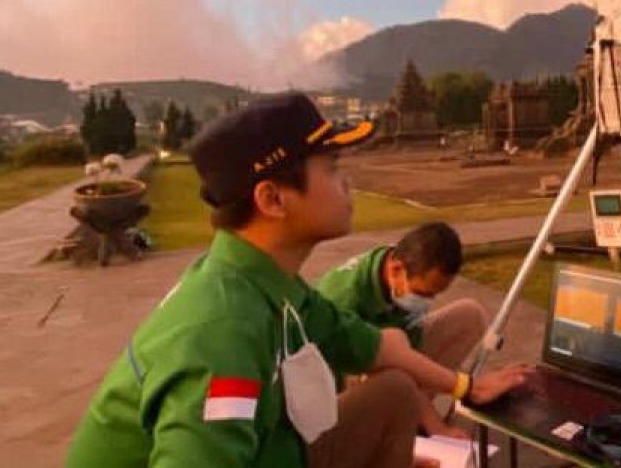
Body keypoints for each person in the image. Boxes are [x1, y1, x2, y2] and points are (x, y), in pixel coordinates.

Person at [65, 92, 528, 468]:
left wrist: (467, 388)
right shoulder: (221, 331)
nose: (346, 185)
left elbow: (377, 346)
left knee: (393, 393)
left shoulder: (273, 285)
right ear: (272, 199)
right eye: (330, 169)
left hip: (272, 451)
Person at [316, 223, 486, 438]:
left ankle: (414, 420)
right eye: (423, 293)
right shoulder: (344, 298)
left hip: (388, 360)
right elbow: (393, 363)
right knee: (392, 371)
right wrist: (438, 424)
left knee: (469, 316)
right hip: (334, 382)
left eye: (434, 294)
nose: (427, 301)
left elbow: (408, 360)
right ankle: (398, 424)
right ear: (396, 270)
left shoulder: (405, 269)